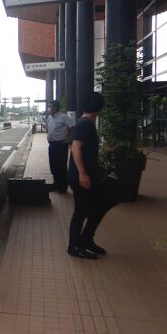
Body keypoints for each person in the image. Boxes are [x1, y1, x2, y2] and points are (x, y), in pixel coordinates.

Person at [67, 92, 107, 260]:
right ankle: (74, 246)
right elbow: (75, 148)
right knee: (82, 211)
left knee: (96, 208)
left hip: (85, 175)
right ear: (99, 108)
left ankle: (86, 240)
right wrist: (83, 173)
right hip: (80, 177)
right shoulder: (85, 125)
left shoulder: (87, 124)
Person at [45, 100, 74, 193]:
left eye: (50, 106)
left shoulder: (63, 117)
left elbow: (72, 127)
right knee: (53, 165)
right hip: (52, 145)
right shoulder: (49, 117)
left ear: (56, 107)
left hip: (61, 145)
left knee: (61, 166)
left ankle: (63, 186)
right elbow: (47, 127)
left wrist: (69, 139)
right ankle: (56, 184)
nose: (49, 108)